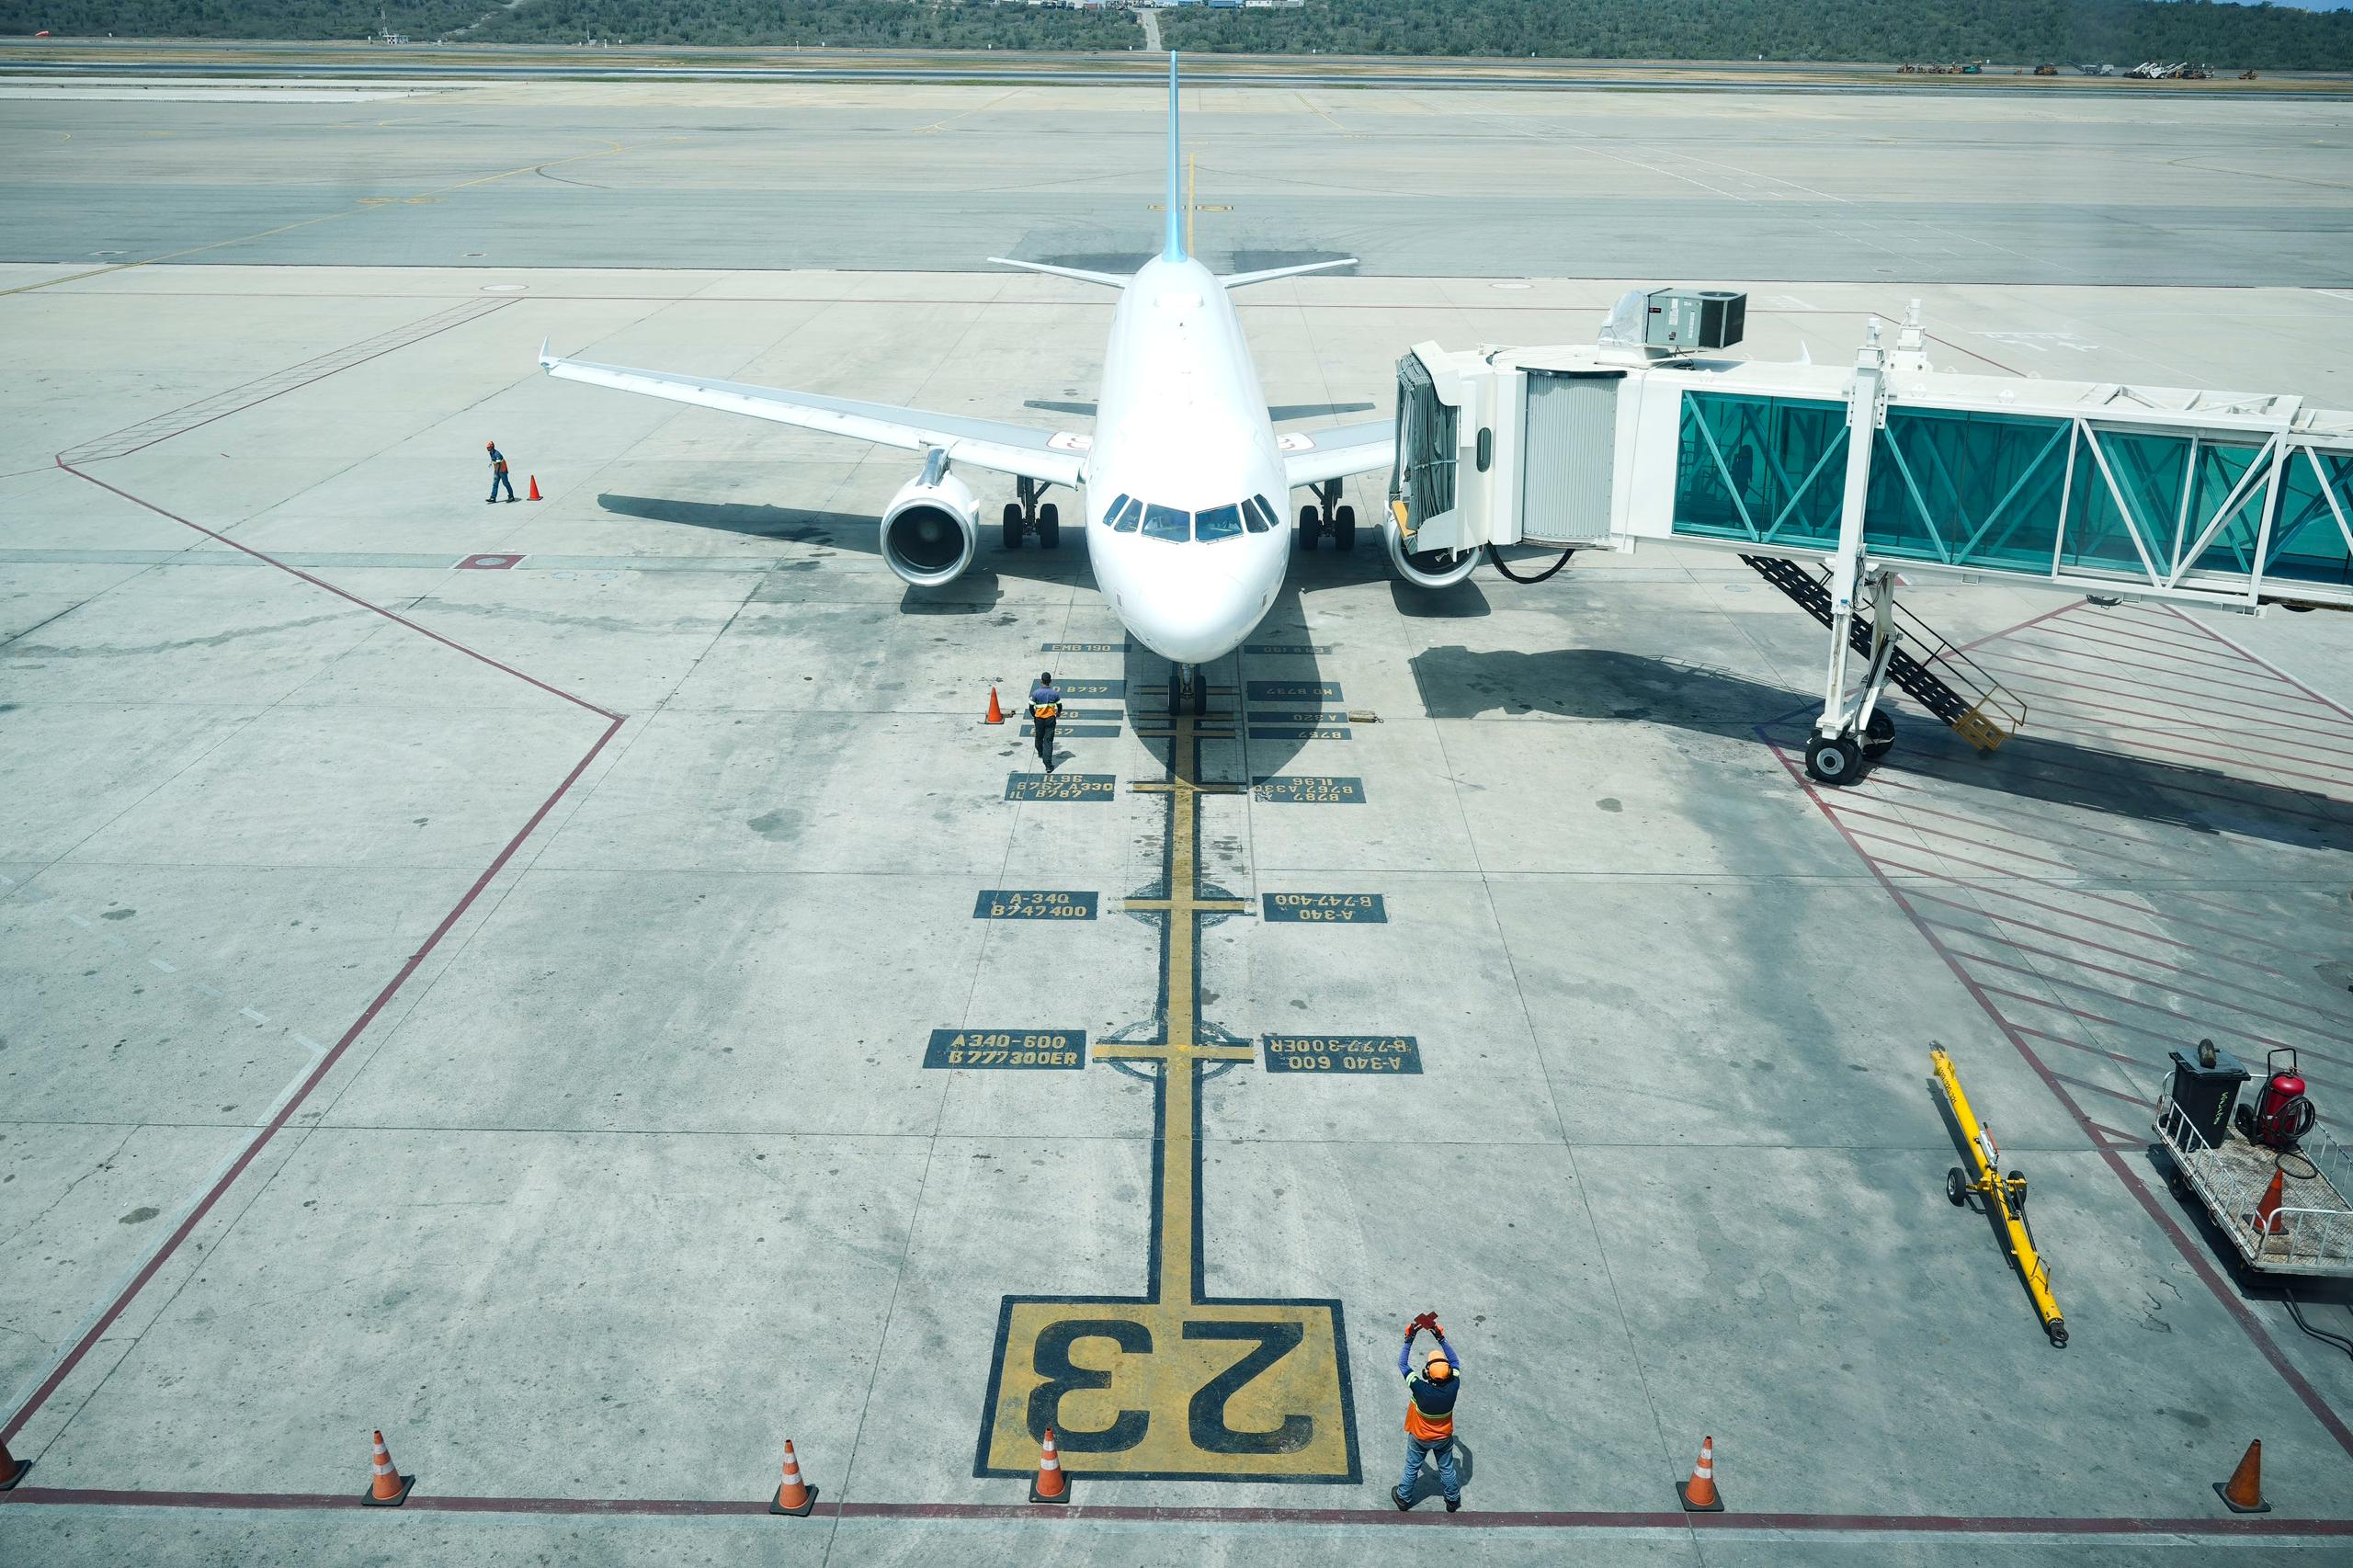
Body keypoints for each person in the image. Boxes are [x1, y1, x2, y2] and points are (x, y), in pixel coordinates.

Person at [1393, 1321, 1462, 1512]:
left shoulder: (1420, 1388)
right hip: (1443, 1438)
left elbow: (1402, 1364)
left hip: (1420, 1438)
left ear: (1426, 1373)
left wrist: (1409, 1339)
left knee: (1412, 1467)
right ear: (1449, 1373)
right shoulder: (1454, 1385)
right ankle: (1452, 1500)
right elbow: (1455, 1361)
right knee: (1447, 1468)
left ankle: (1403, 1498)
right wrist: (1441, 1338)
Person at [1028, 671, 1061, 772]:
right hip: (1050, 719)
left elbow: (1031, 707)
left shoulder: (1035, 693)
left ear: (1041, 681)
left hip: (1039, 720)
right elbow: (1059, 705)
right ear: (1050, 681)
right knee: (1048, 741)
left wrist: (1035, 715)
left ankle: (1040, 752)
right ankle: (1048, 765)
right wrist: (1058, 713)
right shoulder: (1054, 693)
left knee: (1039, 737)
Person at [486, 440, 516, 504]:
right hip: (497, 470)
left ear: (492, 447)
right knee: (495, 484)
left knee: (506, 483)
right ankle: (493, 497)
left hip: (502, 471)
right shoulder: (491, 453)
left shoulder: (497, 454)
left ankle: (511, 496)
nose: (487, 448)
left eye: (488, 447)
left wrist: (497, 472)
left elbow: (499, 464)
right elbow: (494, 461)